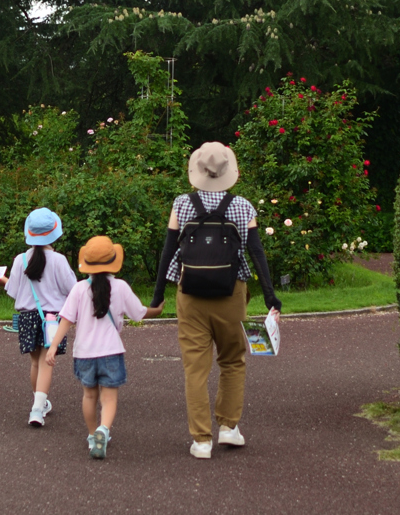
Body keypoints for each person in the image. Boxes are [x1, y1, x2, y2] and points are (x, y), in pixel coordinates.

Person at [151, 141, 282, 459]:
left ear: (198, 171)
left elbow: (168, 251)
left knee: (195, 367)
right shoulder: (243, 207)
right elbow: (256, 252)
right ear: (228, 172)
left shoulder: (181, 204)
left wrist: (157, 296)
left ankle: (201, 440)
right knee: (232, 360)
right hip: (232, 292)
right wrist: (270, 297)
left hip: (190, 294)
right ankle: (228, 428)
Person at [46, 236, 164, 459]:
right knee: (108, 399)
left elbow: (66, 319)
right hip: (111, 351)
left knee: (89, 396)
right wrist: (157, 310)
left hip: (84, 353)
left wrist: (53, 346)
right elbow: (139, 313)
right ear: (113, 262)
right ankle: (104, 429)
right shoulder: (120, 287)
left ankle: (93, 436)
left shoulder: (80, 289)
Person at [1, 207, 77, 426]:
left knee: (35, 363)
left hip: (27, 318)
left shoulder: (21, 260)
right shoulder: (59, 260)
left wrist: (1, 280)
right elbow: (72, 290)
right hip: (52, 319)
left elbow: (14, 291)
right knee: (47, 363)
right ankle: (37, 409)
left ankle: (40, 403)